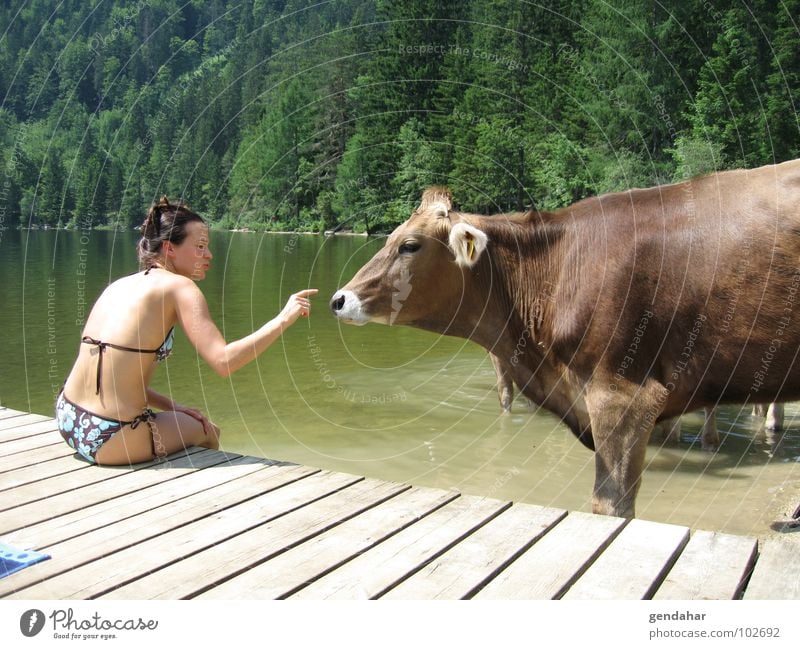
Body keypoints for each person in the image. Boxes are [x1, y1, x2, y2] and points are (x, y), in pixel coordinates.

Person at [55, 196, 317, 465]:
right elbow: (224, 361)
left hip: (68, 417)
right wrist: (283, 319)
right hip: (109, 437)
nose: (209, 255)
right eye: (200, 246)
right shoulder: (180, 288)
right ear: (169, 248)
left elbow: (116, 374)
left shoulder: (119, 286)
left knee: (188, 421)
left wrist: (172, 406)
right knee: (208, 432)